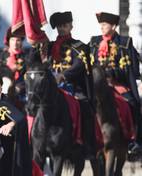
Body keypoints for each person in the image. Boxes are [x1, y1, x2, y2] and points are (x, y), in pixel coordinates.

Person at [89, 12, 142, 155]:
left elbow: (132, 69)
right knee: (85, 104)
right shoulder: (94, 42)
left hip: (117, 84)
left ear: (113, 26)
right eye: (100, 24)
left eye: (104, 24)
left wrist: (112, 73)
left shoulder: (124, 43)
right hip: (97, 85)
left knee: (133, 104)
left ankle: (135, 141)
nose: (101, 27)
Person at [47, 11, 96, 158]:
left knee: (85, 107)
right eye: (59, 26)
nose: (62, 29)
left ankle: (86, 144)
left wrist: (63, 75)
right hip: (52, 88)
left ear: (71, 26)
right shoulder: (49, 47)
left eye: (64, 25)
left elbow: (79, 65)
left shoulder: (79, 46)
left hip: (72, 87)